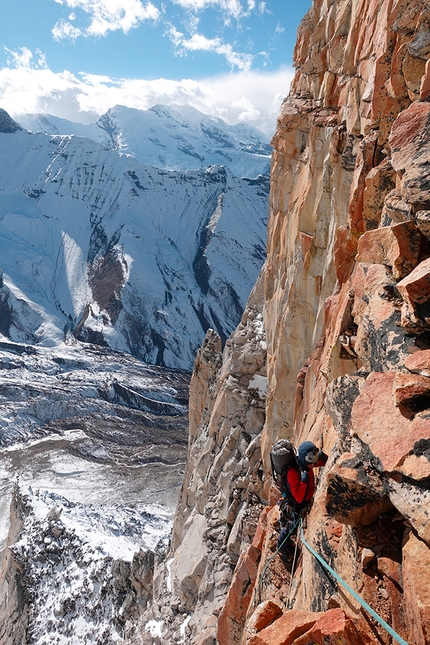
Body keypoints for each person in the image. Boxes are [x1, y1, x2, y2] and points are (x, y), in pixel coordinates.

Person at [277, 441, 328, 555]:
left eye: (313, 462)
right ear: (304, 458)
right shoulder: (293, 473)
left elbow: (319, 460)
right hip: (295, 503)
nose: (312, 465)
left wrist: (324, 459)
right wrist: (304, 480)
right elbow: (299, 497)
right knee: (291, 526)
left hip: (304, 498)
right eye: (310, 462)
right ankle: (282, 547)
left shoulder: (307, 461)